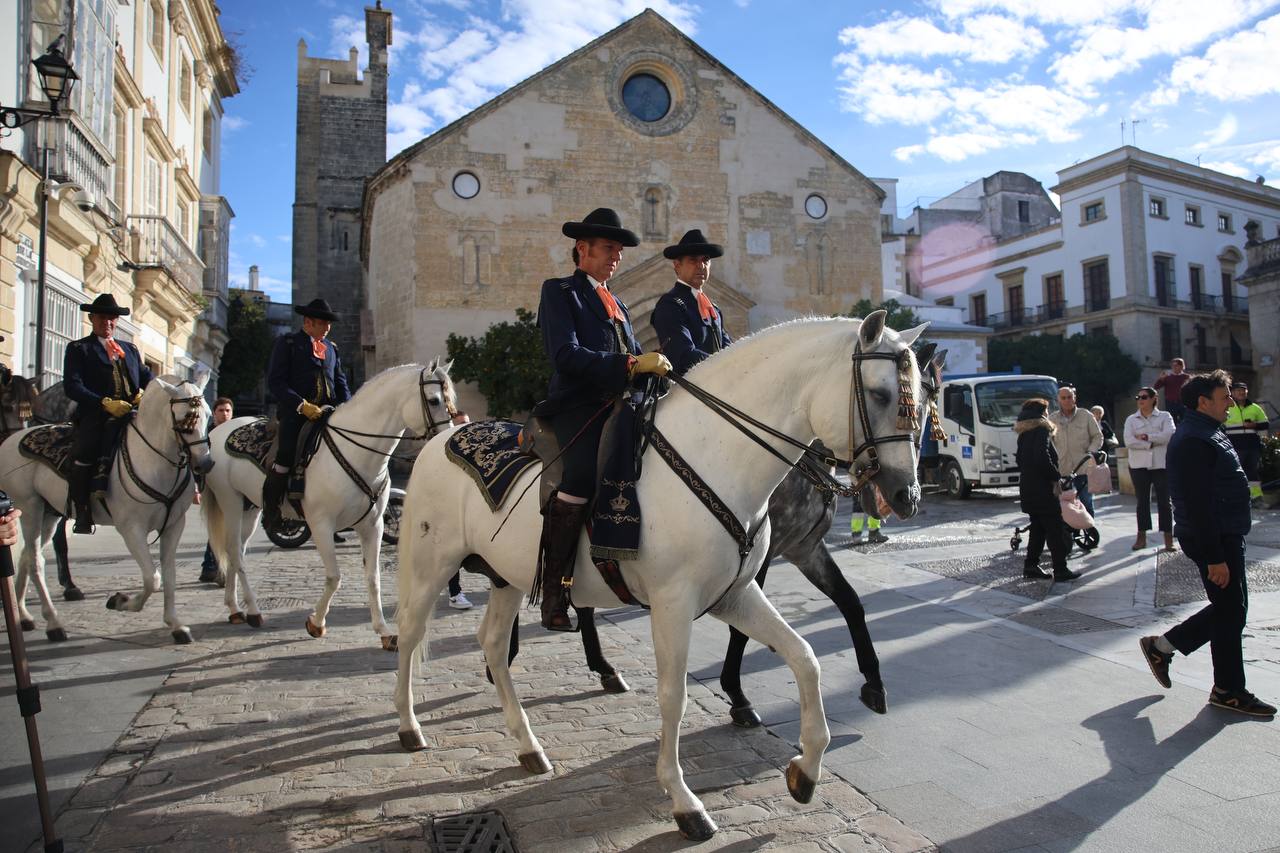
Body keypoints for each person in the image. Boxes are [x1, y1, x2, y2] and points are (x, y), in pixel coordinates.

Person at [533, 207, 670, 631]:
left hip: (622, 404)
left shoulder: (618, 303)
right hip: (578, 404)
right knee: (578, 478)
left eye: (620, 250)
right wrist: (632, 364)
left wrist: (654, 374)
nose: (618, 256)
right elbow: (566, 355)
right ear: (583, 249)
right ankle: (555, 589)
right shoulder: (560, 292)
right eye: (610, 248)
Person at [1139, 370, 1275, 717]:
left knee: (1232, 610)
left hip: (1225, 531)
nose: (1232, 401)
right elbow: (1197, 504)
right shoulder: (1194, 440)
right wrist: (1215, 557)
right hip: (1213, 537)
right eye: (1225, 396)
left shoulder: (1209, 432)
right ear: (1203, 402)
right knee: (1230, 610)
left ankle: (1169, 651)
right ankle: (1226, 688)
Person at [63, 293, 155, 534]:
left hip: (131, 413)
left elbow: (147, 377)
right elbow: (72, 386)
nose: (108, 323)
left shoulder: (130, 349)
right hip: (97, 414)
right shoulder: (79, 348)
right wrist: (104, 403)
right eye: (103, 317)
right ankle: (82, 510)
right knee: (86, 450)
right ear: (93, 318)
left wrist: (151, 393)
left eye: (112, 318)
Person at [263, 298, 351, 531]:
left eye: (329, 324)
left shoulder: (332, 349)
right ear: (308, 322)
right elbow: (276, 382)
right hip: (297, 413)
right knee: (286, 455)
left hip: (329, 414)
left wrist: (348, 406)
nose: (328, 328)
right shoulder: (289, 343)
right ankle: (271, 510)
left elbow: (340, 382)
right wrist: (302, 405)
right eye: (323, 323)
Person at [650, 229, 732, 374]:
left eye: (705, 260)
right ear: (677, 265)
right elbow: (682, 356)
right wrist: (724, 367)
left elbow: (729, 349)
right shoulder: (670, 304)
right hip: (689, 391)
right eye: (693, 260)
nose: (701, 266)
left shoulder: (713, 309)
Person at [1015, 399, 1077, 581]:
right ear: (1042, 413)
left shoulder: (1024, 432)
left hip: (1028, 487)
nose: (1048, 414)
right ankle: (1060, 569)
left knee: (1038, 528)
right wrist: (1055, 476)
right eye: (1047, 410)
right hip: (1043, 489)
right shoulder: (1041, 429)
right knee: (1055, 529)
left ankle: (1031, 565)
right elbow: (1041, 456)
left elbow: (1020, 459)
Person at [1123, 387, 1176, 551]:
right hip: (1139, 465)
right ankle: (1141, 538)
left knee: (1165, 503)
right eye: (1138, 397)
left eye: (1144, 397)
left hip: (1161, 465)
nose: (1140, 399)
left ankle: (1168, 539)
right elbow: (1129, 441)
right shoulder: (1131, 419)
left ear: (1154, 398)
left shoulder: (1165, 416)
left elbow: (1169, 435)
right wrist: (1153, 443)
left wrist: (1147, 438)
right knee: (1142, 502)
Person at [1049, 385, 1103, 521]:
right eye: (1063, 398)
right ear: (1058, 400)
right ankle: (1067, 535)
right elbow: (1048, 442)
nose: (1067, 400)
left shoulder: (1086, 415)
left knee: (1086, 502)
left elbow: (1097, 436)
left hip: (1083, 468)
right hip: (1062, 470)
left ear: (1074, 398)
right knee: (1065, 506)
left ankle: (1089, 531)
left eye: (1069, 397)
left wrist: (1091, 451)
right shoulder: (1052, 419)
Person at [198, 397, 235, 582]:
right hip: (211, 484)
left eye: (228, 410)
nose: (224, 414)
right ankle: (216, 567)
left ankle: (211, 567)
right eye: (221, 410)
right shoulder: (207, 434)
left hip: (231, 486)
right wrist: (196, 488)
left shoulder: (236, 434)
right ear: (214, 413)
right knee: (217, 524)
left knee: (226, 526)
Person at [1224, 380, 1269, 508]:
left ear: (1247, 392)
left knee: (1253, 472)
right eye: (1238, 391)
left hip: (1252, 446)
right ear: (1232, 393)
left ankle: (1257, 499)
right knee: (1235, 473)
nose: (1241, 393)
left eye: (1243, 390)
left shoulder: (1255, 407)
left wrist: (1254, 425)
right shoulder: (1228, 406)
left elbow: (1265, 424)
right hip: (1234, 445)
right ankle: (1237, 500)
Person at [1154, 357, 1190, 424]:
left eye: (1176, 365)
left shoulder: (1186, 377)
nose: (1174, 367)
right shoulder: (1167, 377)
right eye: (1172, 366)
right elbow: (1156, 387)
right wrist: (1161, 379)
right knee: (1172, 422)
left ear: (1182, 366)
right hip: (1170, 403)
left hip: (1183, 403)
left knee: (1185, 421)